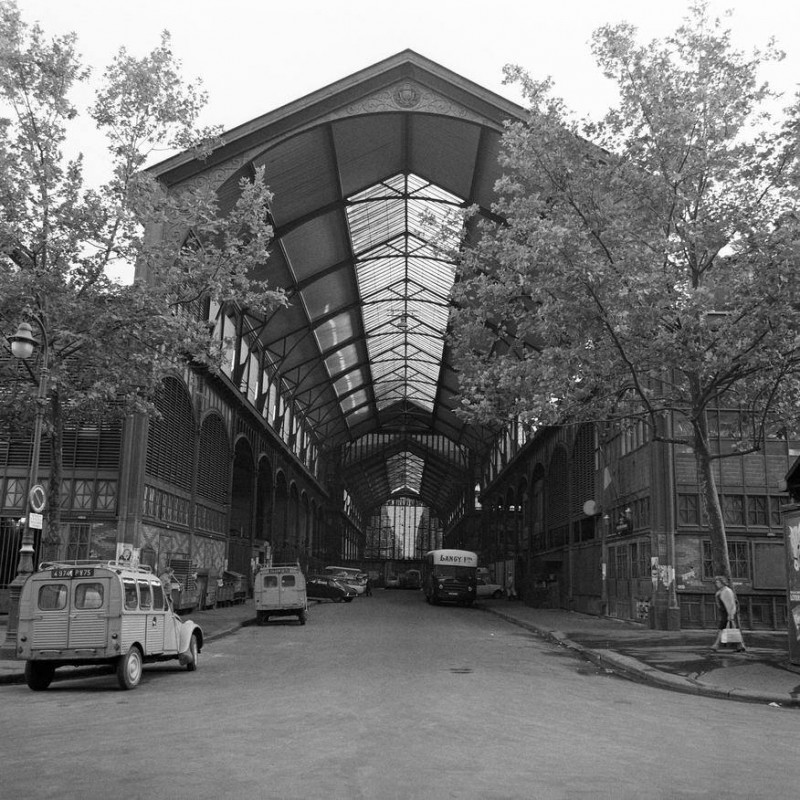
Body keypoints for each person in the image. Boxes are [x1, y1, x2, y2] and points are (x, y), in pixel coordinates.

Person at [711, 575, 746, 652]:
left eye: (718, 582)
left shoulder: (726, 591)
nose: (716, 584)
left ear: (722, 582)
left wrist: (730, 615)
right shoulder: (721, 591)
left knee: (722, 629)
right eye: (716, 582)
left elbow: (730, 604)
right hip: (725, 613)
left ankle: (716, 645)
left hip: (728, 613)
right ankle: (740, 645)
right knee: (731, 630)